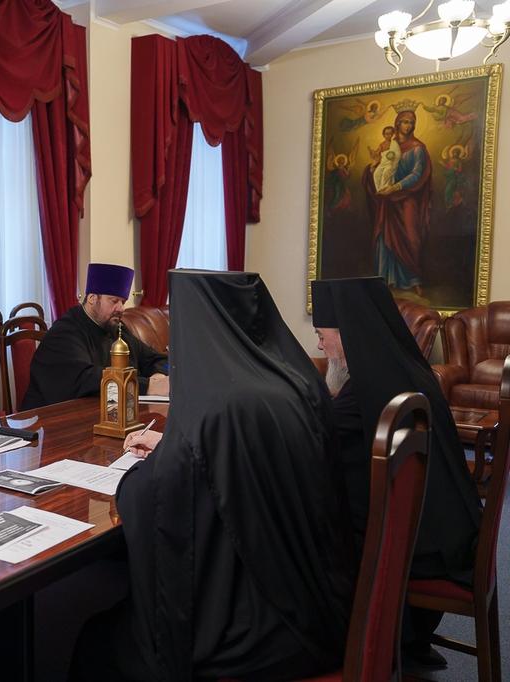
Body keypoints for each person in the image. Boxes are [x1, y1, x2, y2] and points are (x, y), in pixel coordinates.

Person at [72, 271, 354, 681]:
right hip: (321, 604)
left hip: (259, 633)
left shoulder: (216, 407)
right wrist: (175, 449)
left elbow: (152, 499)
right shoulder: (299, 384)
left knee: (93, 642)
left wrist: (148, 466)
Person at [312, 276, 480, 668]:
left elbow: (316, 441)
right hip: (444, 535)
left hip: (414, 552)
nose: (319, 346)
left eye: (322, 335)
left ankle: (346, 646)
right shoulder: (406, 370)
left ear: (347, 334)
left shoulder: (366, 392)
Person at [20, 263, 169, 410]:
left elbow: (158, 359)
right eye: (114, 301)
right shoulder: (64, 332)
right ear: (92, 298)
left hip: (101, 413)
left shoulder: (117, 329)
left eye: (123, 302)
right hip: (51, 418)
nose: (121, 308)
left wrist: (158, 376)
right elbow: (87, 379)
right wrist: (147, 386)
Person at [363, 105, 432, 296]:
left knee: (410, 237)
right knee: (384, 237)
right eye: (404, 122)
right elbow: (380, 169)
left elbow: (417, 174)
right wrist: (373, 167)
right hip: (387, 200)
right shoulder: (387, 146)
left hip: (407, 198)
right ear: (397, 124)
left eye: (411, 123)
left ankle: (413, 279)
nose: (408, 126)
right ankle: (386, 279)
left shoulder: (417, 148)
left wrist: (394, 187)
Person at [372, 125, 401, 192]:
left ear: (392, 134)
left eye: (390, 134)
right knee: (376, 174)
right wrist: (374, 153)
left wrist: (392, 156)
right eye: (386, 134)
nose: (388, 136)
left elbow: (398, 154)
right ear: (383, 135)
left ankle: (384, 189)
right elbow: (377, 154)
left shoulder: (394, 143)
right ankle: (378, 190)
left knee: (385, 173)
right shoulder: (382, 144)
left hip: (390, 163)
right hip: (383, 163)